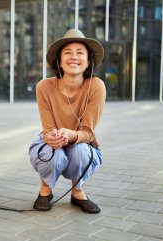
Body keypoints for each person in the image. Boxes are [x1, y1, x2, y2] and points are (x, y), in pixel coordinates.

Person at [29, 28, 106, 213]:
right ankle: (45, 190)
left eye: (80, 53)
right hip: (53, 143)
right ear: (59, 60)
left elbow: (88, 133)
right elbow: (47, 129)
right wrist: (52, 137)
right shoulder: (44, 86)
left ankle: (78, 192)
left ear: (88, 62)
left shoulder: (96, 86)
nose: (74, 57)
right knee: (50, 152)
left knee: (80, 151)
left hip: (82, 144)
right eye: (68, 53)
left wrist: (70, 134)